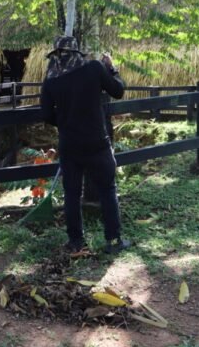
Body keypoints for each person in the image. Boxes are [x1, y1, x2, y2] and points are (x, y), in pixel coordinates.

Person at [40, 36, 131, 255]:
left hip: (70, 145)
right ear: (77, 54)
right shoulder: (94, 68)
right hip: (97, 141)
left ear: (56, 56)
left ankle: (76, 242)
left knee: (72, 194)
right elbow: (118, 90)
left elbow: (46, 114)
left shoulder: (51, 80)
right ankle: (113, 239)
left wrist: (64, 120)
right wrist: (112, 68)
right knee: (108, 189)